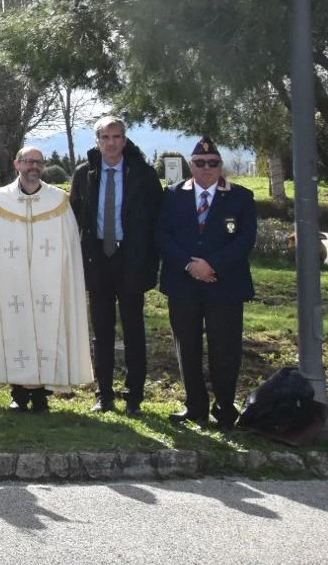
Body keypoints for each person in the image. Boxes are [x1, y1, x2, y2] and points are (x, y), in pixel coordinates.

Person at [0, 145, 92, 412]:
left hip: (48, 281)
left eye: (38, 162)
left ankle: (41, 396)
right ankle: (18, 393)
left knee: (47, 327)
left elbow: (71, 246)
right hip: (9, 280)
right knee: (13, 327)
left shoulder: (58, 201)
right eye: (28, 162)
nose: (33, 167)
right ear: (17, 164)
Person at [156, 136, 258, 430]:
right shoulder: (173, 195)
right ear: (191, 165)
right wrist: (190, 265)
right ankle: (195, 407)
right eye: (200, 163)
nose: (206, 168)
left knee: (225, 349)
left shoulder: (240, 196)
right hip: (183, 284)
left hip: (224, 284)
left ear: (220, 165)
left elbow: (245, 240)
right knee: (186, 346)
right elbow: (162, 236)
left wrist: (211, 266)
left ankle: (225, 408)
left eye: (213, 163)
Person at [68, 116, 163, 414]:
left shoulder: (144, 175)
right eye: (105, 137)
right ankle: (104, 394)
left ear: (124, 140)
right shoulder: (84, 174)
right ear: (97, 141)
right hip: (98, 261)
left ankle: (134, 396)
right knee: (102, 331)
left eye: (116, 137)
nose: (111, 143)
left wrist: (150, 263)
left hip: (131, 260)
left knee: (134, 330)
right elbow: (75, 217)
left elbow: (157, 221)